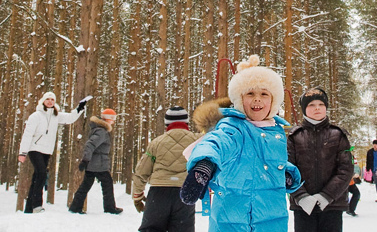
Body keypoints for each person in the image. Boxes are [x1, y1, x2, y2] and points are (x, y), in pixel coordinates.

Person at [179, 54, 301, 232]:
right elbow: (216, 143)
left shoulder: (276, 132)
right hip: (232, 222)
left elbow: (271, 162)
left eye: (264, 94)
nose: (257, 99)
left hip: (272, 222)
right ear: (239, 100)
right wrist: (204, 166)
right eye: (250, 93)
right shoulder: (233, 128)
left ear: (273, 101)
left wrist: (287, 174)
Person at [287, 87, 353, 231]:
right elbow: (288, 170)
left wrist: (326, 196)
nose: (317, 108)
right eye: (311, 105)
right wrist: (301, 196)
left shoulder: (338, 135)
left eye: (321, 104)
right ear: (304, 109)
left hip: (332, 206)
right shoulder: (294, 137)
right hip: (303, 207)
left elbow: (345, 170)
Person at [18, 92, 88, 213]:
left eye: (52, 99)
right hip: (34, 149)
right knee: (41, 173)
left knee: (37, 176)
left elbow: (70, 118)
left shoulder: (56, 115)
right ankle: (37, 205)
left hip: (47, 151)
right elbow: (27, 134)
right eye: (47, 99)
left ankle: (29, 209)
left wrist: (80, 107)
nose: (50, 101)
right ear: (43, 101)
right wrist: (22, 152)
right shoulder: (36, 116)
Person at [132, 106, 200, 231]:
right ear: (186, 122)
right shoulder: (196, 141)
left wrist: (137, 195)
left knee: (151, 229)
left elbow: (141, 172)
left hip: (159, 192)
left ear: (167, 123)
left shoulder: (157, 142)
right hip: (184, 192)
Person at [69, 108, 123, 214]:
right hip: (99, 163)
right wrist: (85, 159)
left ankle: (75, 207)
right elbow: (90, 145)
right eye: (112, 118)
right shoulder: (101, 131)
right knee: (107, 183)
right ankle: (110, 208)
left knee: (86, 184)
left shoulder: (99, 130)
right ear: (107, 119)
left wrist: (86, 161)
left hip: (94, 163)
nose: (113, 121)